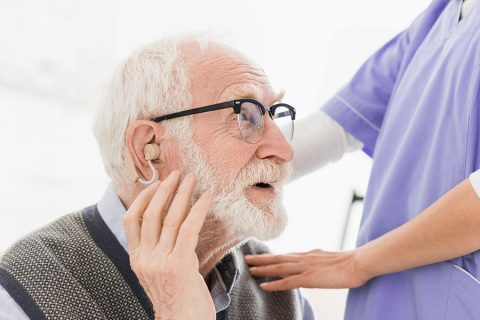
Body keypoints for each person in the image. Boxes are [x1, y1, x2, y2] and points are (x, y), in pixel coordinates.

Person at [0, 37, 315, 319]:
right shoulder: (23, 291)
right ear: (146, 149)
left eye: (273, 114)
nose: (284, 149)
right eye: (244, 115)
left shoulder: (280, 291)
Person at [245, 0, 480, 319]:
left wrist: (356, 263)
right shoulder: (437, 21)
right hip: (385, 298)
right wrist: (211, 174)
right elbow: (335, 128)